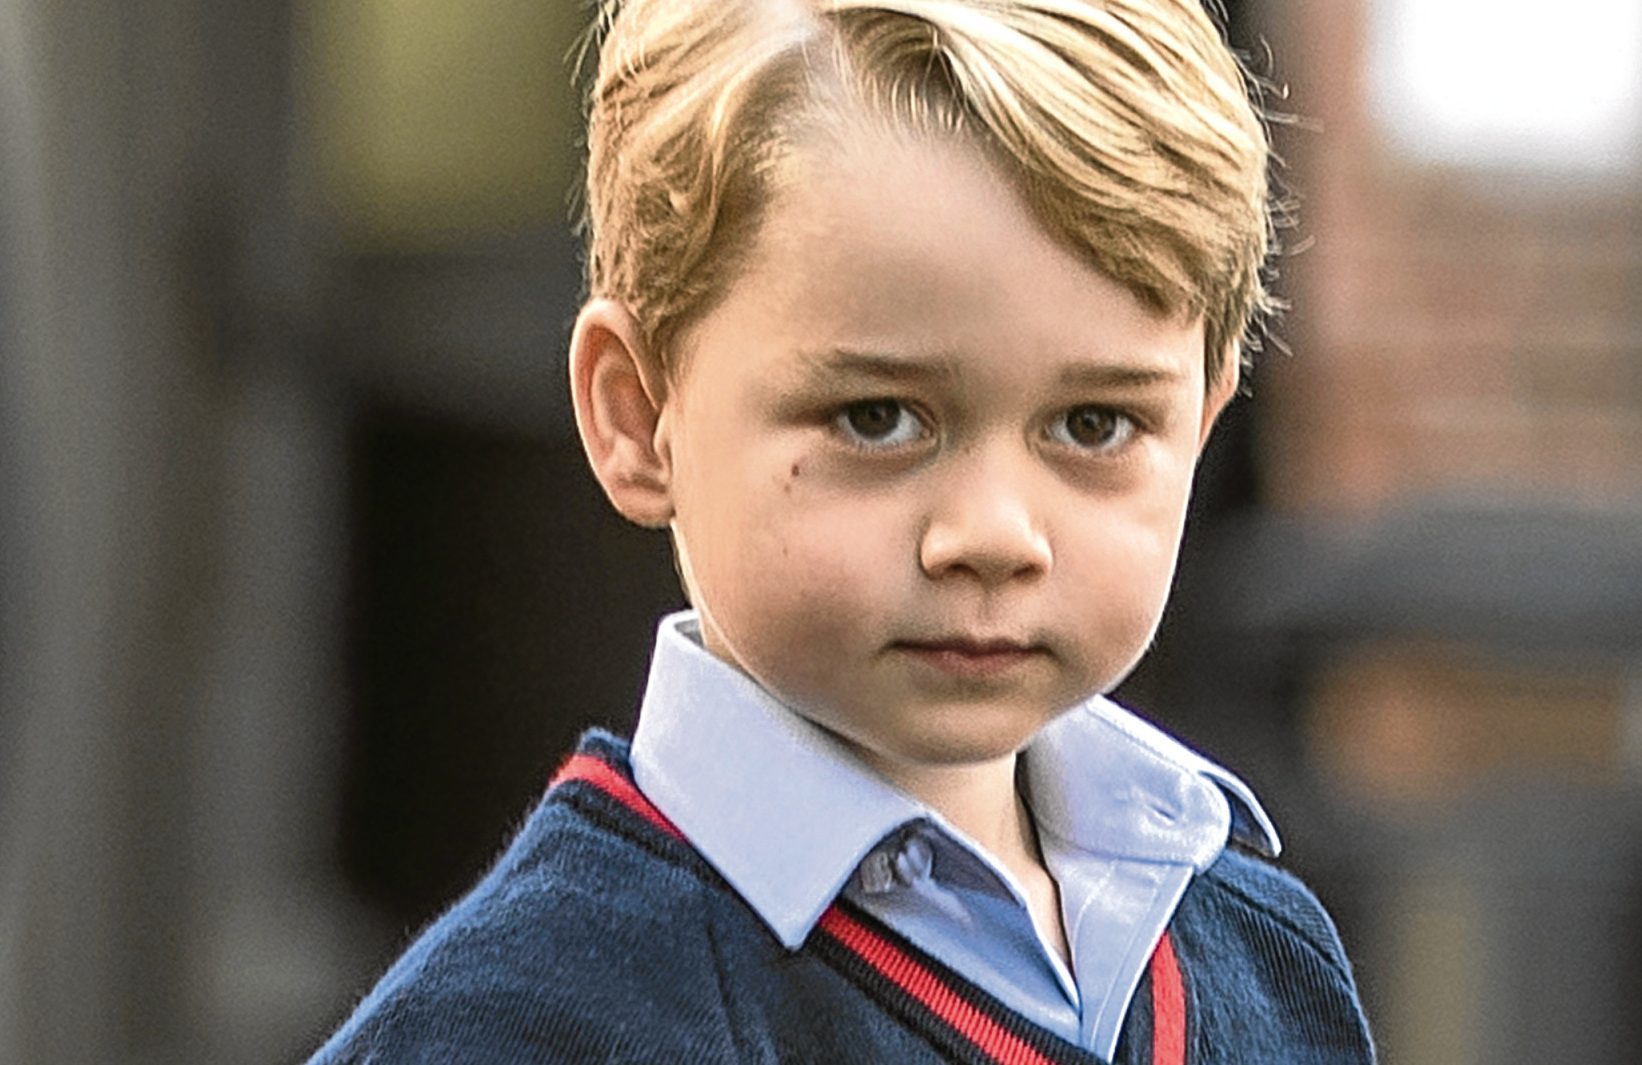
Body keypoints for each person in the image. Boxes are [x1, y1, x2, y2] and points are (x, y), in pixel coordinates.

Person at [309, 1, 1375, 1061]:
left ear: (1200, 421)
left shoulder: (1263, 959)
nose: (995, 534)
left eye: (1094, 425)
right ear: (637, 415)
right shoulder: (520, 1027)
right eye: (879, 419)